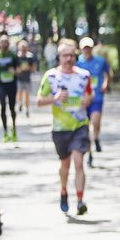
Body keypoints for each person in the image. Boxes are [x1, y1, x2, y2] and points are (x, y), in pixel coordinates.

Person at [36, 38, 93, 215]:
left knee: (78, 163)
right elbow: (39, 101)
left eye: (71, 55)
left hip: (80, 125)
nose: (68, 59)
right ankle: (63, 190)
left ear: (75, 56)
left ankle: (80, 200)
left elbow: (90, 95)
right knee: (65, 166)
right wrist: (55, 99)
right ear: (59, 57)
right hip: (60, 129)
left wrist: (87, 100)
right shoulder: (51, 76)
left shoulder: (84, 75)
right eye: (64, 56)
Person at [75, 37, 112, 166]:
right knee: (86, 128)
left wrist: (106, 84)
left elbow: (108, 74)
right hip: (83, 99)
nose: (87, 50)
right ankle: (90, 154)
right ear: (81, 49)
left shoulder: (100, 61)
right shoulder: (77, 64)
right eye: (84, 48)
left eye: (88, 47)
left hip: (97, 97)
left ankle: (96, 138)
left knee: (95, 122)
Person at [0, 35, 19, 143]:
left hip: (12, 83)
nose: (4, 44)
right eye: (2, 42)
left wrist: (15, 71)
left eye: (6, 42)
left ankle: (14, 128)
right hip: (0, 84)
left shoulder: (13, 54)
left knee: (12, 108)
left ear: (8, 43)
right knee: (3, 106)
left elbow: (19, 67)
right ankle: (5, 131)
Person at [15, 39, 38, 118]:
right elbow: (14, 69)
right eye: (22, 47)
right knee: (19, 92)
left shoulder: (30, 57)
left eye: (25, 47)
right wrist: (19, 69)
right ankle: (20, 103)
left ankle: (27, 109)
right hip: (19, 78)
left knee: (27, 95)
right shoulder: (17, 57)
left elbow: (34, 68)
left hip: (27, 79)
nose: (23, 49)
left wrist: (29, 68)